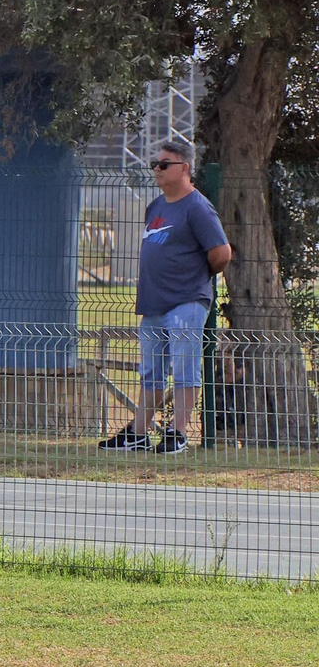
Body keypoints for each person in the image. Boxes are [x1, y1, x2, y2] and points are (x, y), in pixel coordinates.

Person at [99, 140, 231, 454]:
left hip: (186, 300)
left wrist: (195, 278)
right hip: (153, 304)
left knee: (185, 367)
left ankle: (178, 432)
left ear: (184, 168)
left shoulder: (197, 207)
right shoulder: (156, 206)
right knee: (151, 371)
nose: (157, 170)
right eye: (155, 164)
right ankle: (139, 433)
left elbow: (221, 252)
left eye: (164, 164)